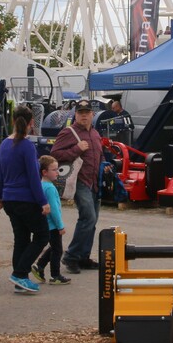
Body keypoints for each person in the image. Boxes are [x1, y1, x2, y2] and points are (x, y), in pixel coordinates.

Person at [0, 104, 49, 293]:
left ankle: (20, 279)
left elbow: (1, 172)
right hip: (25, 199)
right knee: (42, 235)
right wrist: (43, 201)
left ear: (12, 121)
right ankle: (20, 273)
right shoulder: (27, 146)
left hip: (9, 199)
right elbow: (34, 177)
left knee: (21, 238)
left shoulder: (4, 144)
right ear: (31, 123)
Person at [50, 99, 103, 275]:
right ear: (75, 115)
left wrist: (106, 165)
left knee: (92, 220)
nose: (84, 116)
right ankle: (71, 256)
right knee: (88, 217)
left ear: (92, 115)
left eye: (87, 113)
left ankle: (83, 256)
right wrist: (77, 149)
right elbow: (55, 154)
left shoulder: (95, 133)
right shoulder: (68, 132)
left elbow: (98, 156)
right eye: (80, 113)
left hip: (94, 181)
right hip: (79, 181)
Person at [31, 155, 70, 286]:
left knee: (53, 247)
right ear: (44, 172)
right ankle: (55, 275)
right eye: (54, 169)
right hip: (53, 225)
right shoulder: (50, 188)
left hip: (45, 224)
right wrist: (60, 226)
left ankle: (40, 266)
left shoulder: (40, 185)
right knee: (58, 250)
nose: (57, 172)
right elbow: (53, 209)